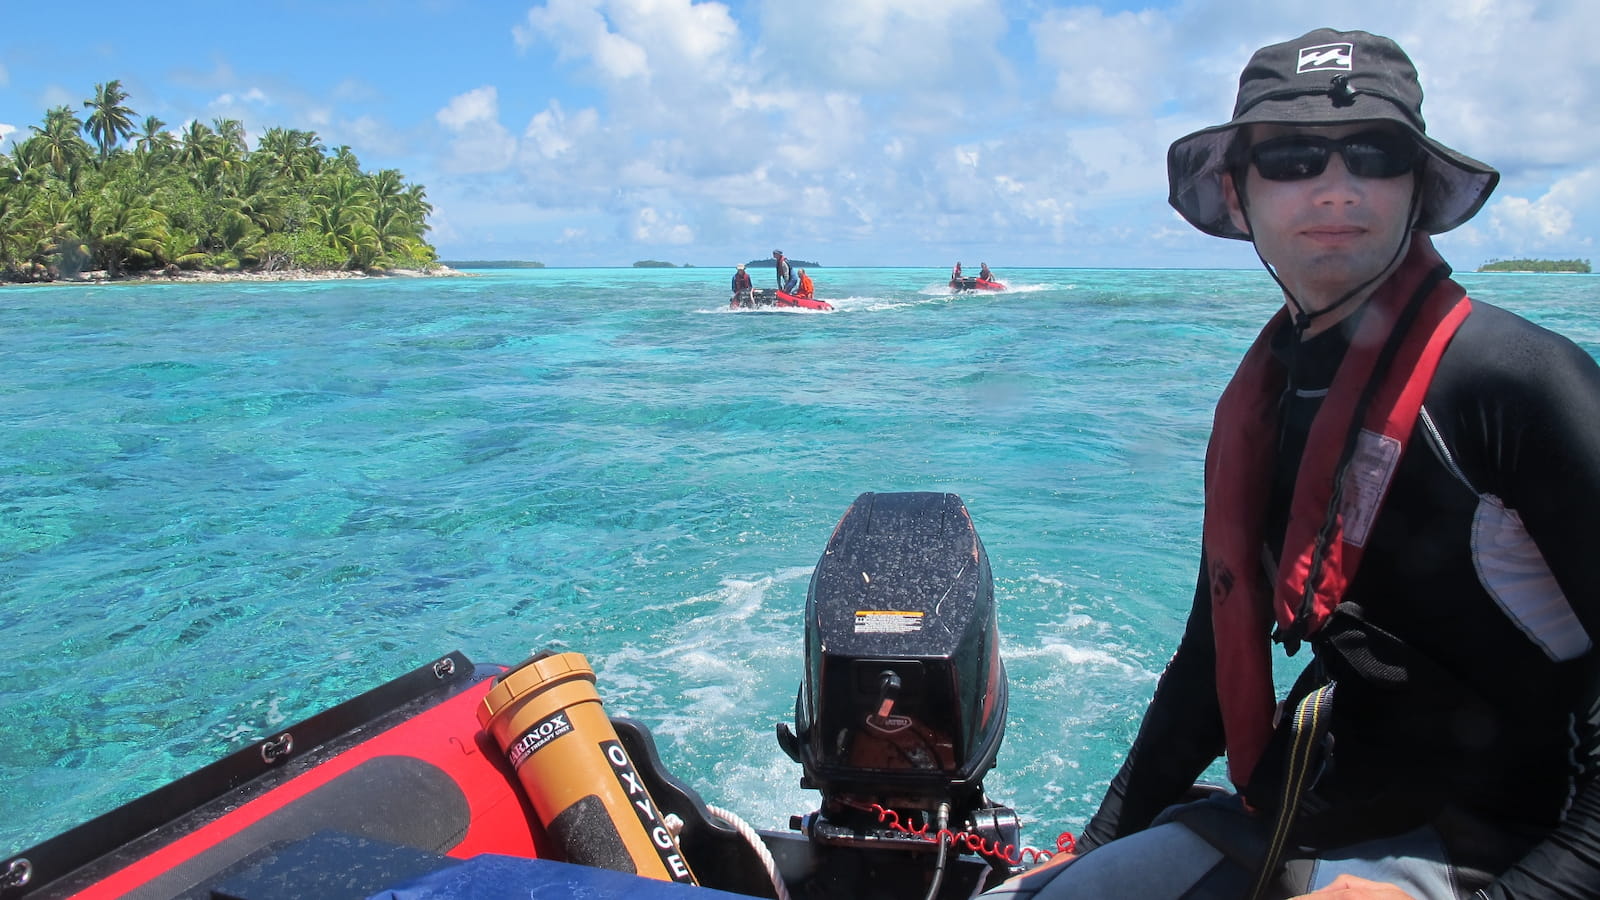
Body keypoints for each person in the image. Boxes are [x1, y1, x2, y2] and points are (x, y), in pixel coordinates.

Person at [987, 27, 1600, 900]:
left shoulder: (1521, 386)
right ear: (1239, 197)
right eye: (1294, 157)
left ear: (1417, 188)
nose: (1336, 187)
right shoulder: (1269, 402)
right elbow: (1209, 666)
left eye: (1375, 154)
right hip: (1314, 809)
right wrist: (1093, 846)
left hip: (1518, 849)